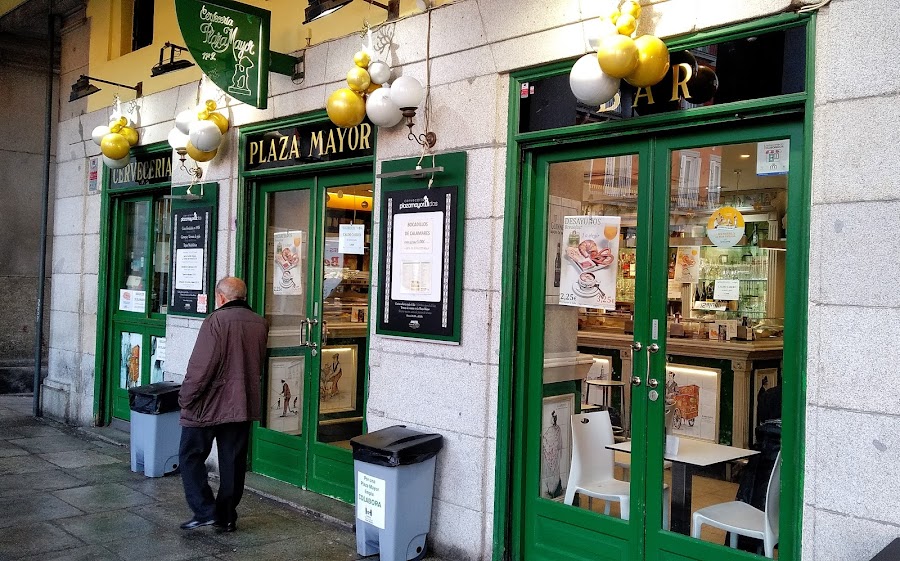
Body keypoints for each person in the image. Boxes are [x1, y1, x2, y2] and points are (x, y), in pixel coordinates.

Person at [177, 277, 268, 533]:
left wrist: (186, 397)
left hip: (208, 403)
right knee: (233, 463)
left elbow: (201, 367)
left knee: (190, 456)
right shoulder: (260, 323)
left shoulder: (215, 321)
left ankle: (205, 510)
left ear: (220, 297)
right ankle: (227, 516)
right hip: (241, 403)